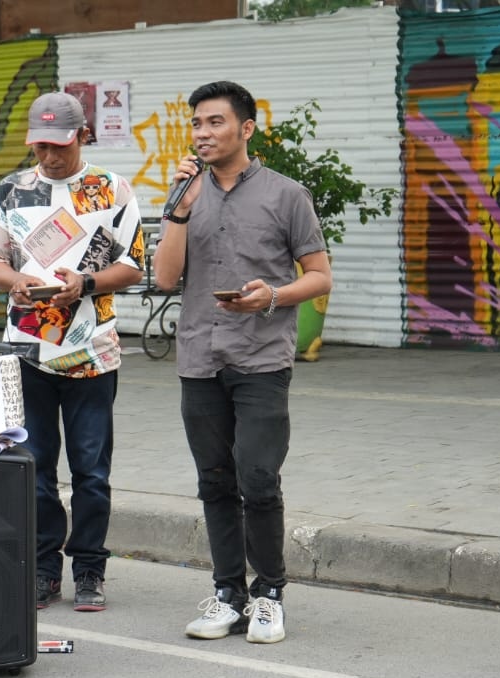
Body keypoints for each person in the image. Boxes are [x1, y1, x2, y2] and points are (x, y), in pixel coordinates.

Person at [153, 80, 332, 644]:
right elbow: (162, 278)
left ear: (246, 128)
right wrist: (179, 210)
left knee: (257, 477)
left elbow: (320, 276)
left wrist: (272, 297)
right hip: (199, 357)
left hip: (260, 358)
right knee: (214, 481)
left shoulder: (286, 195)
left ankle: (269, 594)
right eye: (197, 124)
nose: (203, 134)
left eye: (215, 123)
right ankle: (227, 593)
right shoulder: (185, 194)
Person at [0, 92, 144, 612]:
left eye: (59, 145)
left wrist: (87, 281)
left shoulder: (112, 189)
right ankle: (44, 571)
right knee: (34, 469)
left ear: (81, 136)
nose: (49, 158)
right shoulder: (12, 190)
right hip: (27, 351)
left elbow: (135, 266)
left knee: (92, 472)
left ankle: (91, 570)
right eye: (40, 147)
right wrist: (16, 282)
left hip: (93, 353)